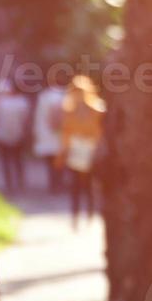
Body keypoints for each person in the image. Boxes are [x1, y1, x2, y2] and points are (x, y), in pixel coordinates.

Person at [57, 75, 105, 228]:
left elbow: (100, 131)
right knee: (75, 186)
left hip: (91, 150)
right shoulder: (69, 110)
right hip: (75, 151)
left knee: (89, 185)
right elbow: (66, 133)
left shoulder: (97, 109)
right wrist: (62, 153)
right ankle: (75, 218)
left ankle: (90, 215)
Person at [0, 81, 33, 196]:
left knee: (6, 161)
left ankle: (9, 184)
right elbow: (26, 120)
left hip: (2, 135)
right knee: (18, 160)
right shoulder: (23, 102)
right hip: (19, 134)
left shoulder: (0, 103)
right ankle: (20, 182)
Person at [32, 78, 67, 192]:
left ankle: (52, 185)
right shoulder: (65, 96)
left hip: (46, 135)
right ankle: (59, 184)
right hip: (60, 135)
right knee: (59, 163)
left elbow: (38, 117)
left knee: (49, 163)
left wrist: (36, 133)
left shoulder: (43, 97)